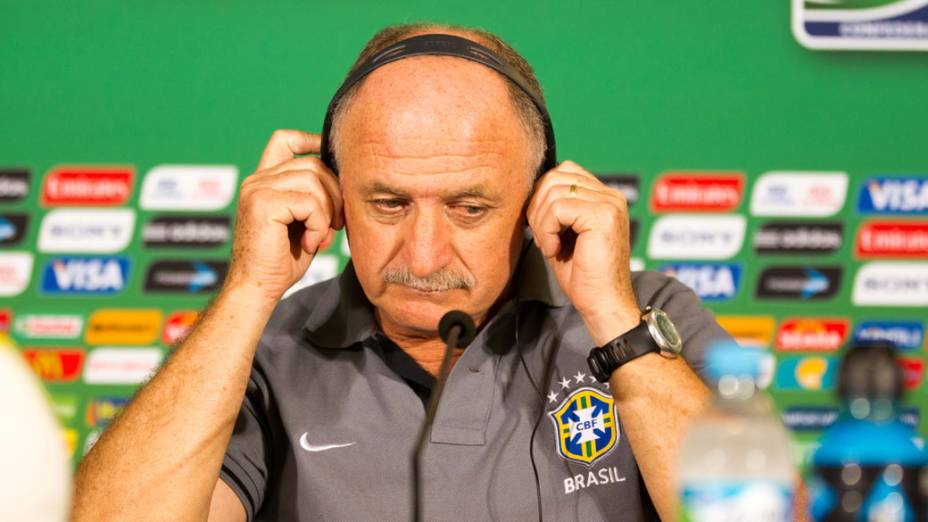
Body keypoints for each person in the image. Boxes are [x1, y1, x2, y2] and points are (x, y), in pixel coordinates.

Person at [72, 23, 731, 521]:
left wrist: (616, 322)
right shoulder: (261, 353)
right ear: (330, 192)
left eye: (468, 207)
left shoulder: (647, 318)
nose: (422, 256)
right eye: (387, 203)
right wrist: (248, 290)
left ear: (539, 196)